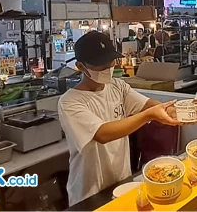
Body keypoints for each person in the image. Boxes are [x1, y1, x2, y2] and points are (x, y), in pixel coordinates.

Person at [58, 31, 180, 206]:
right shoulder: (69, 102)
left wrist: (179, 112)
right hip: (88, 194)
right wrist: (149, 115)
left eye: (111, 61)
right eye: (101, 65)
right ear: (81, 66)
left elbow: (148, 105)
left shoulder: (118, 86)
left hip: (121, 183)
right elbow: (102, 134)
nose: (108, 68)